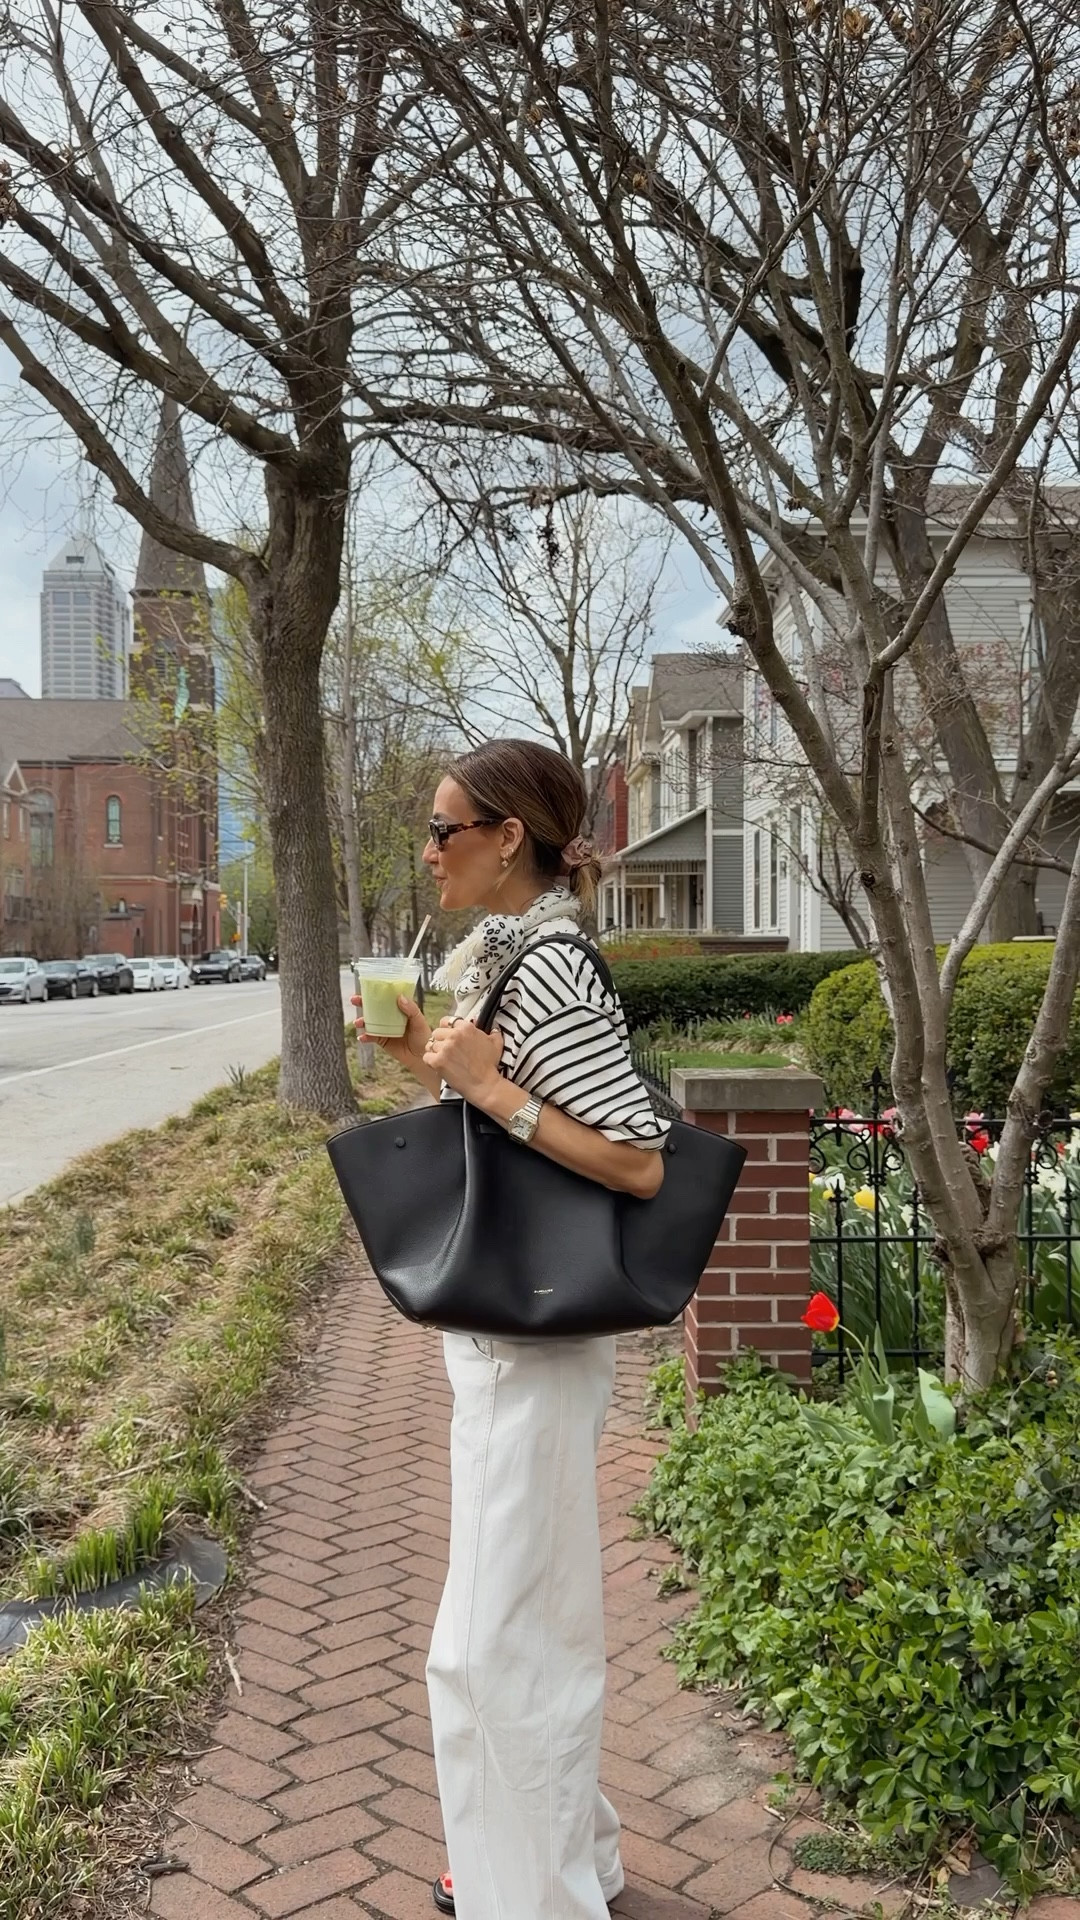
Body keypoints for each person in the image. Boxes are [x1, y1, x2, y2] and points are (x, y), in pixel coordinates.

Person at [353, 739, 670, 1919]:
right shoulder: (503, 962)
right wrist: (428, 1069)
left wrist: (490, 1090)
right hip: (510, 1341)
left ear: (507, 839)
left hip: (531, 1348)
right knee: (529, 1623)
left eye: (445, 829)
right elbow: (508, 1137)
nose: (429, 850)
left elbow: (636, 1161)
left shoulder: (552, 970)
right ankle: (562, 1863)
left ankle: (526, 1898)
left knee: (489, 1649)